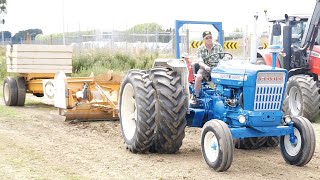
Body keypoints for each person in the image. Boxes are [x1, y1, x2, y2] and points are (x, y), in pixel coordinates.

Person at [191, 31, 223, 107]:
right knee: (198, 77)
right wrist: (205, 66)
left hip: (216, 68)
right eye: (207, 38)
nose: (209, 39)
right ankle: (195, 96)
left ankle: (223, 97)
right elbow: (200, 61)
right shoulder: (200, 49)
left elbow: (223, 57)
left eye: (210, 37)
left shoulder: (218, 46)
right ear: (204, 39)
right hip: (205, 68)